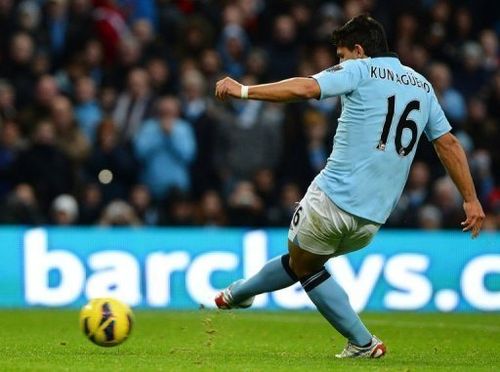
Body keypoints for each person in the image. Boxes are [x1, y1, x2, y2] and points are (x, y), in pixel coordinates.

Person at [213, 15, 485, 359]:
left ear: (359, 50)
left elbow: (307, 88)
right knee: (303, 260)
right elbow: (447, 144)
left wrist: (244, 90)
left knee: (304, 265)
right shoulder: (422, 86)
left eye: (341, 56)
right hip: (373, 218)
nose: (338, 64)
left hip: (333, 198)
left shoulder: (361, 68)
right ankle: (240, 294)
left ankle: (362, 342)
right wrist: (471, 200)